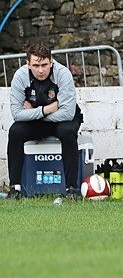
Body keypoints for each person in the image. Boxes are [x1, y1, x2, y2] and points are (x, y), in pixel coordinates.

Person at [6, 44, 85, 200]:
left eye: (44, 65)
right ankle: (15, 189)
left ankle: (71, 189)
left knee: (68, 132)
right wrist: (46, 110)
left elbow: (68, 113)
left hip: (63, 119)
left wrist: (33, 112)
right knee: (15, 131)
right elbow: (16, 114)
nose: (40, 70)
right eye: (35, 65)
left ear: (51, 62)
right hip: (44, 116)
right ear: (28, 64)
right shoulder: (20, 76)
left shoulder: (63, 74)